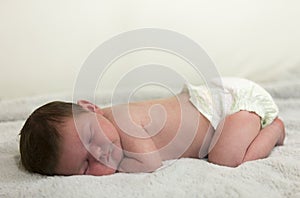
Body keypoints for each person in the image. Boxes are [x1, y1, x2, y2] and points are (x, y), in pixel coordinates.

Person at [19, 77, 285, 176]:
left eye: (91, 137)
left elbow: (149, 163)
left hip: (231, 104)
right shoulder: (108, 130)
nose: (100, 152)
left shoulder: (123, 119)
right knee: (221, 152)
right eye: (86, 166)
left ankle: (273, 130)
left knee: (225, 158)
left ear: (91, 107)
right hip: (216, 113)